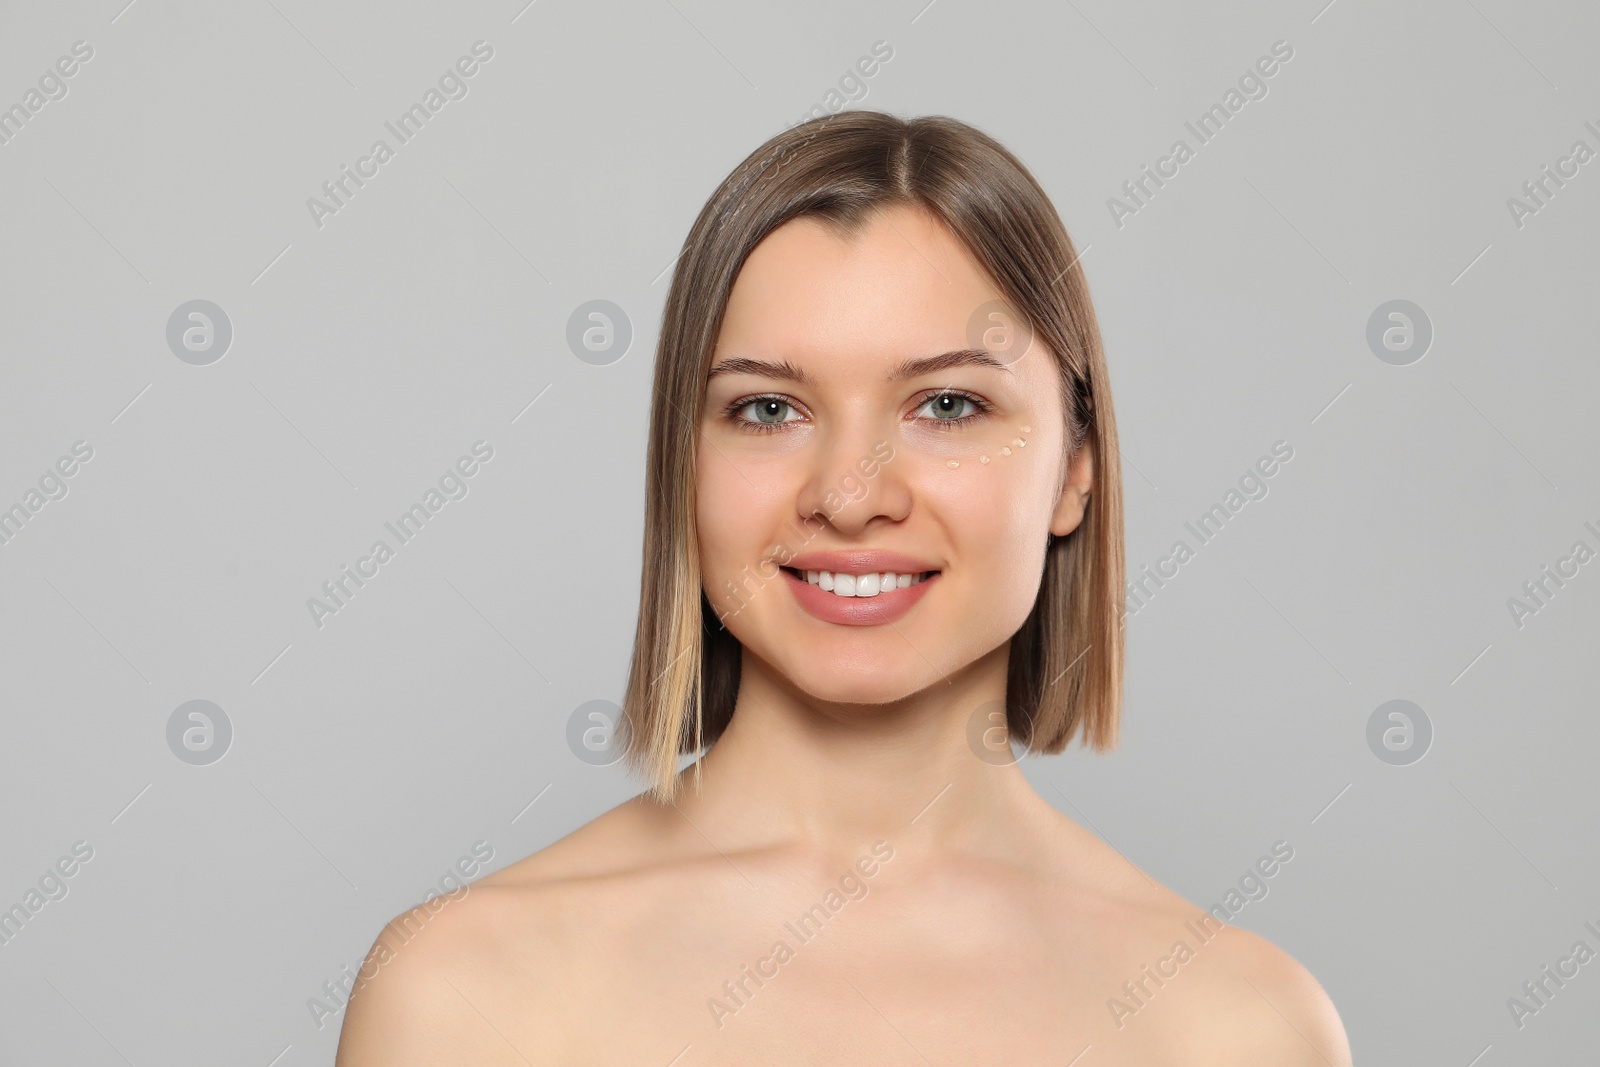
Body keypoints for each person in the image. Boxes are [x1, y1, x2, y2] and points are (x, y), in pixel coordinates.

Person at [335, 111, 1352, 1065]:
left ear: (1075, 468)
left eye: (947, 404)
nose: (850, 495)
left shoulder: (1236, 1024)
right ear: (681, 464)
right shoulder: (460, 996)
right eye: (769, 408)